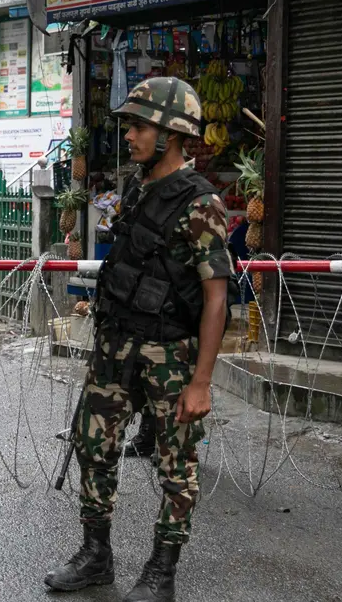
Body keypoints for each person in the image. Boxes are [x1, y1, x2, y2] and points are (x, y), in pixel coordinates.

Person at [44, 77, 230, 602]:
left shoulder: (202, 204)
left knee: (176, 466)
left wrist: (201, 382)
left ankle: (161, 572)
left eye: (139, 126)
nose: (129, 135)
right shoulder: (137, 187)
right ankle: (96, 555)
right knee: (92, 444)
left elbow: (217, 298)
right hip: (116, 347)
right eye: (129, 125)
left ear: (171, 134)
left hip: (170, 355)